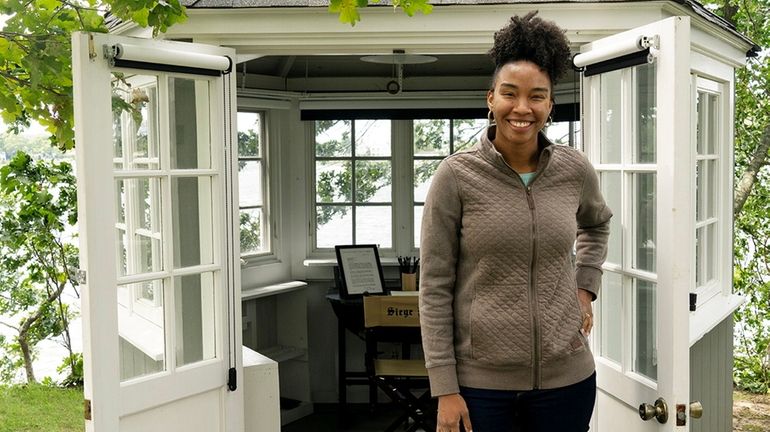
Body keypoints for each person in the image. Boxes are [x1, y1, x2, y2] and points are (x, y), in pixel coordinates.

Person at [418, 12, 612, 432]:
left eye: (536, 96)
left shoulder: (574, 169)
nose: (522, 108)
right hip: (479, 388)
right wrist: (444, 388)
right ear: (491, 98)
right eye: (510, 93)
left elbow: (596, 224)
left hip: (568, 380)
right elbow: (433, 287)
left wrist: (585, 287)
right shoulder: (455, 177)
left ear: (550, 105)